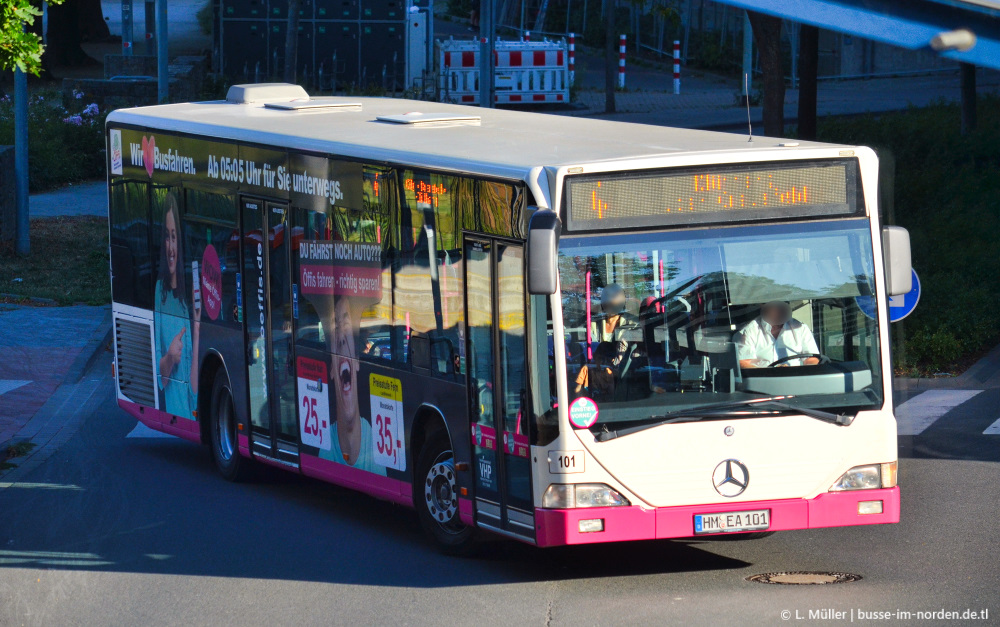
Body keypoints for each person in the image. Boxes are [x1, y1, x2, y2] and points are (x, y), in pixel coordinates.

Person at [322, 294, 386, 475]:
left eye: (346, 325)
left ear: (357, 361)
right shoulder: (324, 450)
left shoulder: (377, 447)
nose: (341, 337)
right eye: (335, 327)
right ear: (333, 371)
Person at [154, 193, 199, 420]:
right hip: (173, 411)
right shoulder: (159, 292)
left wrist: (197, 327)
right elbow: (160, 378)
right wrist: (170, 357)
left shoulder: (187, 297)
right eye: (166, 237)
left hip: (191, 415)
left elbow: (194, 391)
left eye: (174, 237)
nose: (171, 247)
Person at [735, 301, 820, 368]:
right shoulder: (750, 331)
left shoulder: (800, 328)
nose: (778, 310)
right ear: (763, 306)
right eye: (774, 306)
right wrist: (770, 371)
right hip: (762, 382)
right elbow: (742, 362)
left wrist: (804, 371)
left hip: (795, 380)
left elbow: (811, 358)